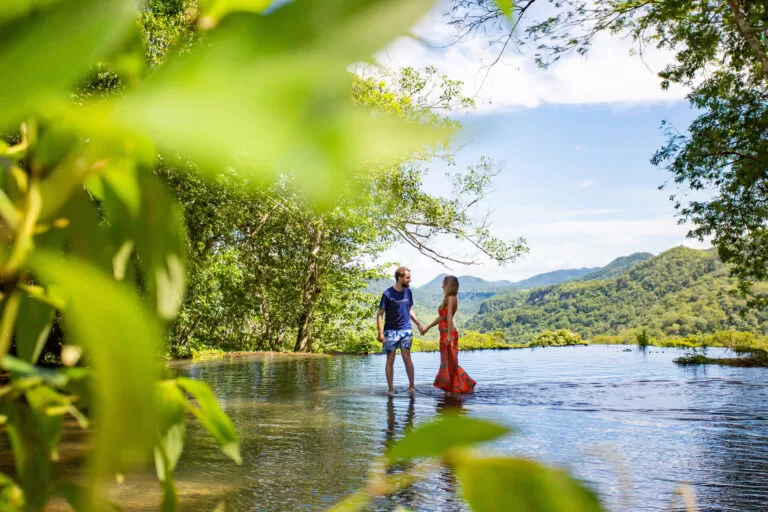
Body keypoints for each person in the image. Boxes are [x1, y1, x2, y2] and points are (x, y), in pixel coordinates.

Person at [421, 275, 476, 394]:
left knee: (451, 363)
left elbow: (449, 317)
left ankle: (466, 385)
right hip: (444, 334)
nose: (442, 286)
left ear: (449, 286)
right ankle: (451, 390)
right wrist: (427, 328)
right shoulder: (448, 298)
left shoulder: (451, 298)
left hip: (448, 334)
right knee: (446, 363)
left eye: (444, 284)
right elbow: (442, 317)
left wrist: (449, 335)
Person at [377, 266, 424, 395]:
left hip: (406, 330)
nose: (410, 280)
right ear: (400, 278)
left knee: (407, 358)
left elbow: (410, 310)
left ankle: (412, 388)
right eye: (407, 278)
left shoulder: (408, 292)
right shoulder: (387, 294)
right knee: (390, 359)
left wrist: (418, 324)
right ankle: (391, 389)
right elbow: (380, 314)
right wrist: (380, 333)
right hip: (390, 331)